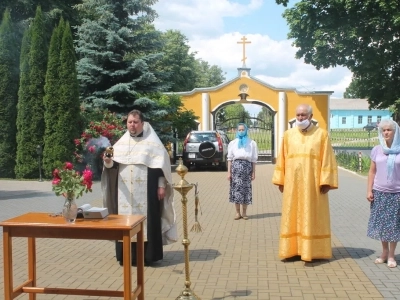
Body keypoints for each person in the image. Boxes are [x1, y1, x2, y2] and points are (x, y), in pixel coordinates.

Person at [101, 109, 177, 266]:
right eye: (129, 122)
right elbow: (112, 166)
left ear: (142, 123)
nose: (132, 125)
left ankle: (148, 256)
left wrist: (161, 185)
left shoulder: (153, 144)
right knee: (124, 220)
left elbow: (160, 167)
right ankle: (127, 256)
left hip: (147, 191)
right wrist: (107, 161)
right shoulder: (120, 144)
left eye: (135, 122)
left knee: (148, 221)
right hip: (124, 194)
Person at [272, 104, 338, 261]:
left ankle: (313, 250)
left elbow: (327, 158)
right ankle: (292, 250)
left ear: (311, 116)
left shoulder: (322, 135)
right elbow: (282, 158)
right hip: (292, 184)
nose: (300, 118)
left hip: (313, 184)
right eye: (298, 115)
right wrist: (281, 180)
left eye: (303, 115)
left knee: (312, 214)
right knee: (292, 213)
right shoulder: (288, 135)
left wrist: (326, 181)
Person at [367, 119, 400, 268]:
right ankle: (384, 252)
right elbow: (372, 171)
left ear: (395, 131)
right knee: (381, 225)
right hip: (379, 192)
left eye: (389, 130)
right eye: (383, 130)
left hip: (396, 193)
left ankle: (392, 255)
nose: (386, 132)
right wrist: (369, 190)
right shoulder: (376, 149)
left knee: (393, 225)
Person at [227, 123, 258, 220]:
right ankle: (237, 213)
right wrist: (229, 172)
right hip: (236, 170)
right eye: (239, 130)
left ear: (246, 130)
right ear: (237, 131)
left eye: (243, 130)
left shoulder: (251, 143)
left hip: (246, 169)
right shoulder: (233, 143)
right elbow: (229, 159)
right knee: (236, 191)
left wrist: (253, 172)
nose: (241, 131)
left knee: (245, 191)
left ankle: (244, 212)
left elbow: (253, 159)